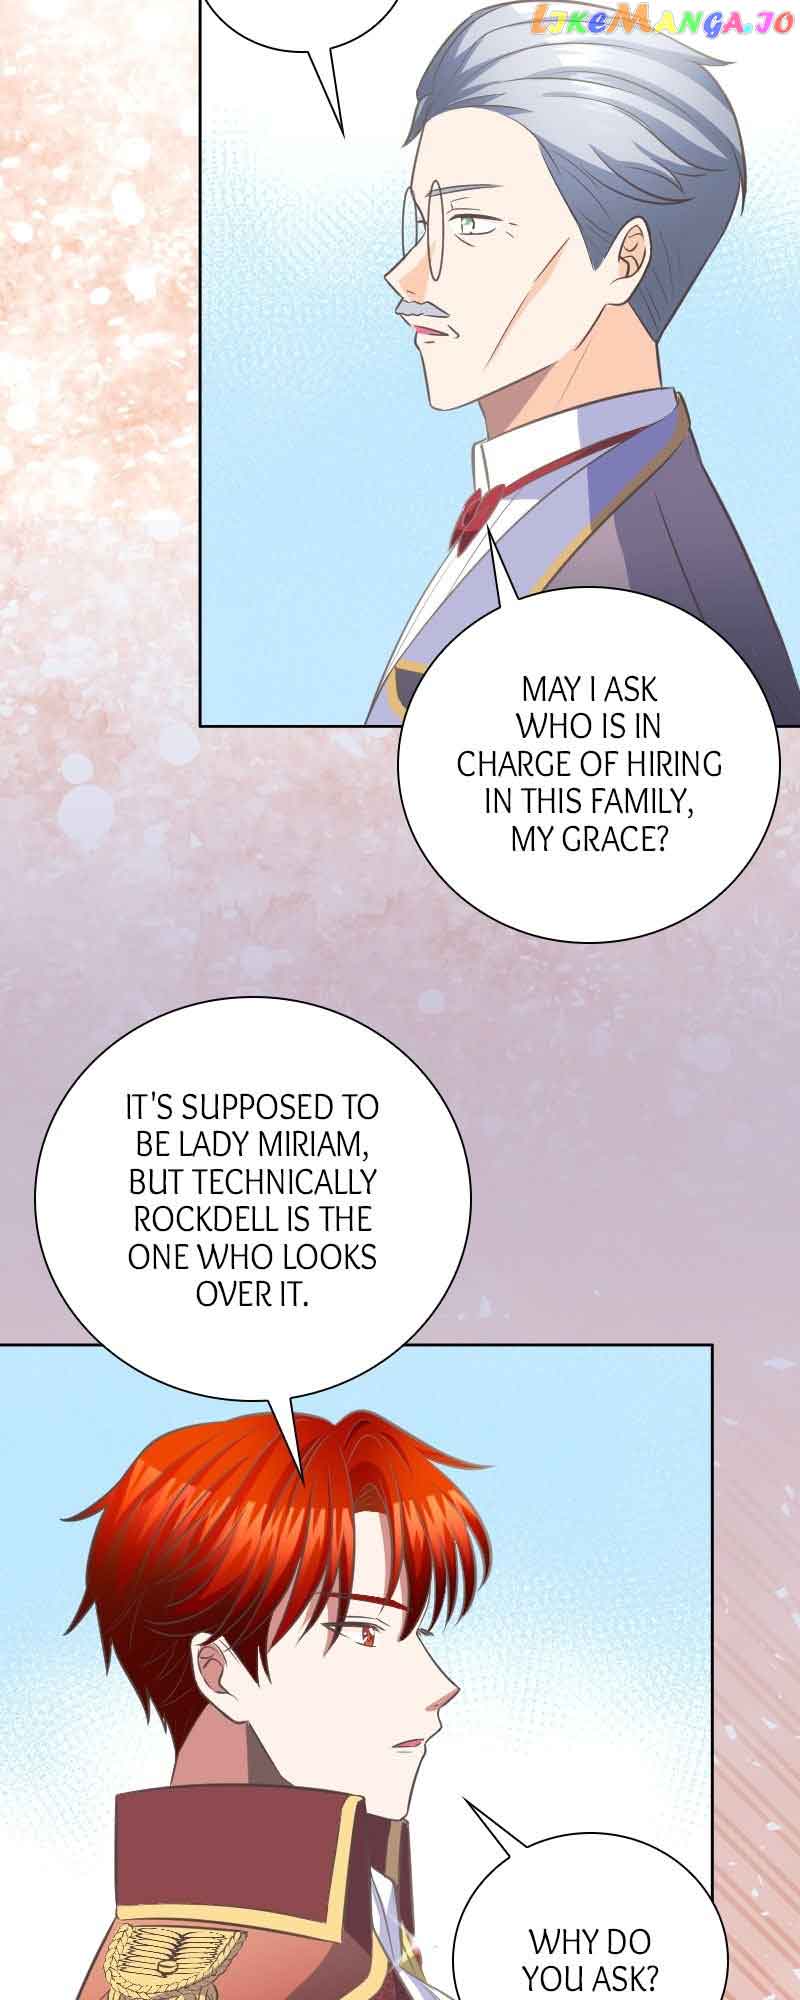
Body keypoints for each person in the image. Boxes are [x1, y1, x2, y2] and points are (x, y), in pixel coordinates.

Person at [365, 4, 799, 727]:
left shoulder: (628, 583)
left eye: (470, 223)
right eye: (422, 222)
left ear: (624, 260)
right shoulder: (562, 504)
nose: (407, 275)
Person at [70, 1407, 491, 1999]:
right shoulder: (262, 1968)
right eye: (364, 1631)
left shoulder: (357, 1933)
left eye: (417, 1631)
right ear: (220, 1674)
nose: (438, 1684)